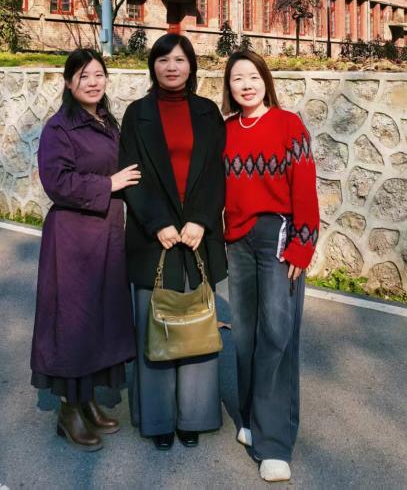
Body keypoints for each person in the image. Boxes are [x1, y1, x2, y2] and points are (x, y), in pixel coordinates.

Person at [119, 33, 227, 451]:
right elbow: (131, 174)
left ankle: (194, 416)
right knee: (157, 326)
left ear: (191, 66)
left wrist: (202, 219)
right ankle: (158, 418)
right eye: (163, 60)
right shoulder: (137, 114)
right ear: (153, 66)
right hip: (154, 238)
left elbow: (217, 171)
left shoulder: (207, 112)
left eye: (180, 60)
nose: (171, 67)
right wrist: (157, 223)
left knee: (196, 324)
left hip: (198, 236)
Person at [31, 48, 140, 450]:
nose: (93, 82)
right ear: (68, 82)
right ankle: (68, 410)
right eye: (83, 76)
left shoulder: (107, 121)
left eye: (98, 74)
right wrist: (108, 184)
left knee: (100, 318)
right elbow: (57, 182)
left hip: (107, 234)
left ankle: (87, 398)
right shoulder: (59, 128)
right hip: (73, 239)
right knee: (74, 322)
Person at [222, 50, 319, 483]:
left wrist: (303, 245)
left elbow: (305, 188)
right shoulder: (226, 131)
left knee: (277, 335)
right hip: (238, 240)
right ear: (229, 87)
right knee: (244, 334)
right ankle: (250, 417)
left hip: (278, 237)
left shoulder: (288, 125)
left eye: (252, 76)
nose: (246, 85)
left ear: (265, 80)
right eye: (237, 78)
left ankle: (275, 443)